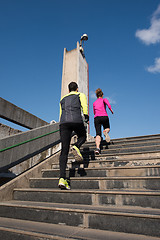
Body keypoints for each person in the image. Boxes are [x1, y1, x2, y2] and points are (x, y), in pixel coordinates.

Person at [58, 82, 89, 190]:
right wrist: (86, 116)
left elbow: (61, 112)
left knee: (64, 151)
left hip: (63, 123)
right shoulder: (80, 95)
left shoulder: (62, 99)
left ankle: (62, 178)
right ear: (76, 89)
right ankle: (76, 146)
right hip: (76, 120)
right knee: (83, 136)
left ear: (68, 90)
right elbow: (84, 107)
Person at [93, 88, 114, 155]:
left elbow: (94, 112)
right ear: (102, 95)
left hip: (97, 118)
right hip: (104, 116)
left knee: (98, 134)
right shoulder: (104, 99)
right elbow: (108, 105)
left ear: (96, 95)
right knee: (107, 128)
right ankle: (106, 131)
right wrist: (111, 110)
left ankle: (97, 148)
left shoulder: (94, 103)